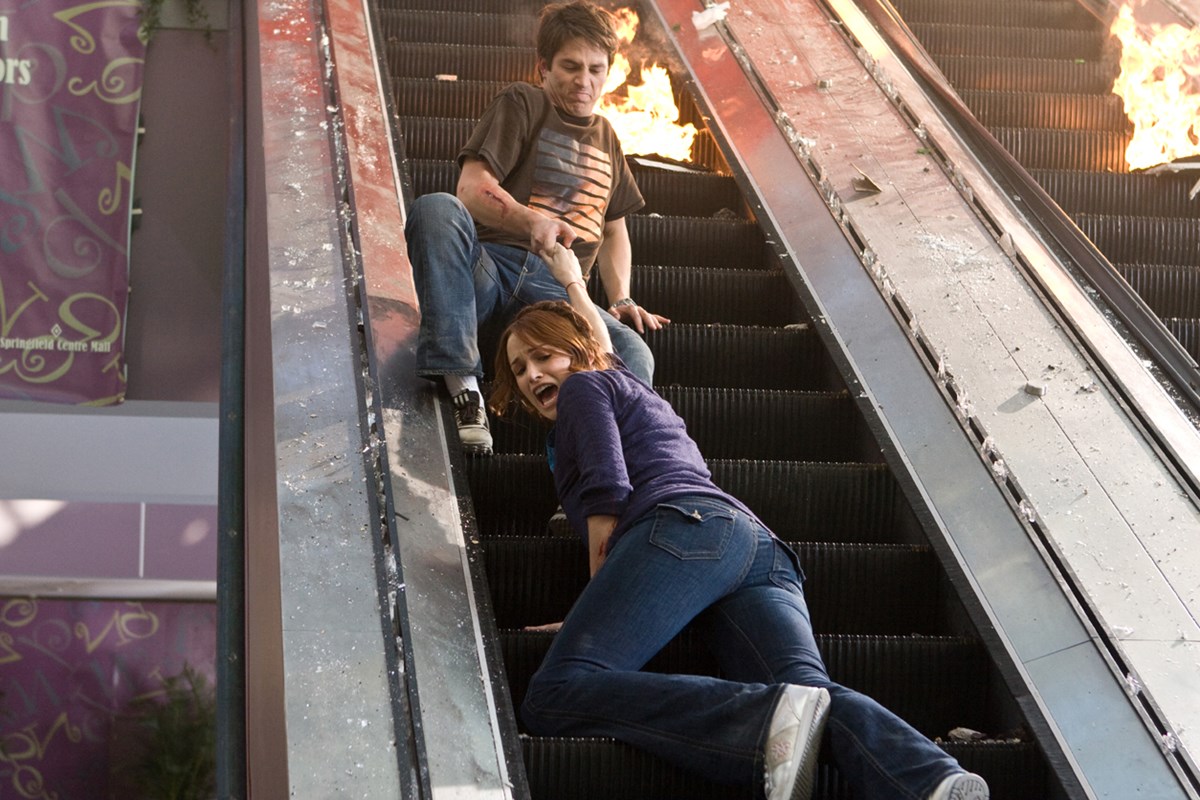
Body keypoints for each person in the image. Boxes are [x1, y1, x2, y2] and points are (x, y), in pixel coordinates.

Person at [487, 247, 991, 800]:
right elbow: (600, 342)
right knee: (809, 696)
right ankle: (932, 779)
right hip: (756, 548)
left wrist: (598, 602)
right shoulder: (622, 383)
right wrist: (571, 284)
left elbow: (607, 489)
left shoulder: (585, 387)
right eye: (519, 369)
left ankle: (759, 726)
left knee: (555, 692)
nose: (532, 375)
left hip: (679, 532)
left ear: (577, 350)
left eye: (543, 356)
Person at [405, 0, 668, 456]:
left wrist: (621, 297)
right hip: (489, 272)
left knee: (633, 352)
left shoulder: (608, 137)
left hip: (558, 298)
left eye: (595, 70)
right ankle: (464, 388)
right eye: (570, 66)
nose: (584, 81)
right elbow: (471, 188)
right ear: (544, 66)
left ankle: (601, 458)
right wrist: (531, 221)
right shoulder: (523, 102)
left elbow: (613, 229)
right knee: (436, 208)